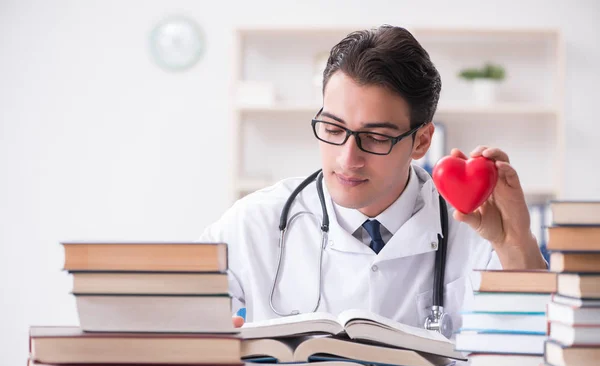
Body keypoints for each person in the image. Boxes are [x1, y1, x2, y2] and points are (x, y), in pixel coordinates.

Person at [199, 25, 546, 331]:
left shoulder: (479, 231)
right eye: (333, 129)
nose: (348, 158)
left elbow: (542, 349)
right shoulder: (254, 222)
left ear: (422, 141)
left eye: (376, 137)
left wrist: (515, 243)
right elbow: (176, 317)